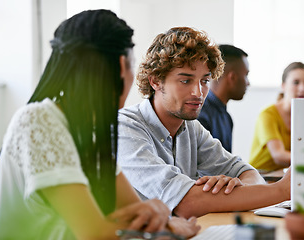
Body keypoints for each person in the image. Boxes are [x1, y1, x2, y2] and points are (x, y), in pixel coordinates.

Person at [0, 10, 200, 240]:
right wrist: (160, 218)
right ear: (122, 66)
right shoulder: (39, 121)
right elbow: (96, 235)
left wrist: (160, 220)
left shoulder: (91, 131)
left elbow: (132, 213)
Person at [118, 27, 291, 219]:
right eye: (185, 81)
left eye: (205, 81)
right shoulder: (124, 128)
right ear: (155, 81)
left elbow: (247, 172)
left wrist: (237, 186)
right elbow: (187, 203)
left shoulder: (191, 127)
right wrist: (282, 190)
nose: (198, 93)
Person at [249, 62, 304, 171]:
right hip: (261, 176)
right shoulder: (268, 114)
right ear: (283, 86)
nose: (302, 88)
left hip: (284, 177)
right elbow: (279, 156)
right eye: (296, 82)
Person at [197, 44, 249, 152]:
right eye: (246, 75)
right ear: (232, 77)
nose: (248, 83)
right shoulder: (199, 115)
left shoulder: (226, 117)